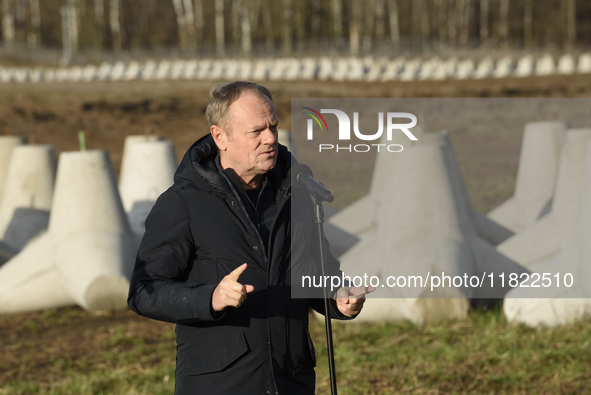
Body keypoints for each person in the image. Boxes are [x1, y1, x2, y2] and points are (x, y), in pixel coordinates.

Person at [127, 81, 369, 395]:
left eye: (273, 127)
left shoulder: (297, 195)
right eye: (256, 131)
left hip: (290, 379)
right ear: (220, 137)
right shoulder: (183, 202)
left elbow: (315, 272)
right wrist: (210, 298)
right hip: (221, 383)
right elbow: (144, 290)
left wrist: (339, 298)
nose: (270, 138)